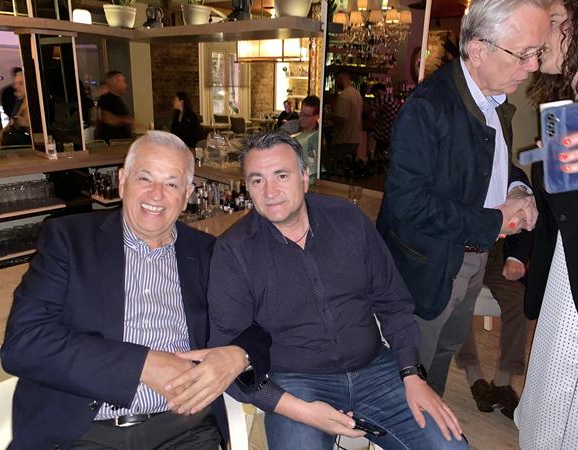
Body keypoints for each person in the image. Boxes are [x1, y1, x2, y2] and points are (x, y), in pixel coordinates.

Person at [0, 131, 271, 449]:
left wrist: (237, 356)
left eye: (171, 184)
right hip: (87, 433)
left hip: (185, 429)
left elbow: (259, 326)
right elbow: (24, 344)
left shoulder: (208, 253)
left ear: (187, 194)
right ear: (122, 181)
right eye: (145, 178)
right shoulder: (69, 240)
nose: (156, 195)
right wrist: (142, 365)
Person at [203, 131, 467, 450]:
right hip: (296, 382)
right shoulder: (234, 252)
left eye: (281, 176)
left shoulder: (349, 220)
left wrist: (412, 373)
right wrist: (295, 408)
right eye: (257, 180)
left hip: (376, 370)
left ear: (304, 177)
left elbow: (393, 302)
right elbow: (225, 357)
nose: (270, 191)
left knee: (451, 447)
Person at [376, 0, 546, 397]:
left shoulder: (494, 100)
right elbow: (408, 201)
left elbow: (494, 166)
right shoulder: (428, 107)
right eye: (524, 54)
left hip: (473, 257)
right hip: (428, 266)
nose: (534, 66)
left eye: (537, 53)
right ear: (478, 49)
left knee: (444, 351)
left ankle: (430, 417)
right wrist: (495, 221)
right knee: (410, 372)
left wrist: (518, 189)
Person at [516, 0, 578, 447]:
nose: (541, 34)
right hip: (562, 273)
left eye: (554, 21)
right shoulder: (564, 111)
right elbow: (560, 201)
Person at [455, 230, 532, 419]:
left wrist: (517, 257)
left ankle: (502, 382)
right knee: (458, 301)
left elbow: (529, 226)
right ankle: (475, 378)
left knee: (519, 303)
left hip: (499, 255)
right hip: (461, 255)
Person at [325, 70, 363, 172]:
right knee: (349, 170)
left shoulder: (344, 96)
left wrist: (327, 116)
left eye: (336, 80)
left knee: (338, 171)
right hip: (355, 139)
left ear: (342, 77)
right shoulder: (357, 94)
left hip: (344, 139)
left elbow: (341, 119)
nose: (336, 83)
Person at [95, 70, 133, 142]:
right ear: (115, 82)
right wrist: (127, 120)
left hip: (119, 143)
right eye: (123, 81)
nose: (125, 85)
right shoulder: (106, 98)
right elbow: (107, 118)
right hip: (111, 144)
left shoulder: (115, 98)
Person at [1, 69, 31, 146]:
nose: (16, 87)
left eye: (21, 83)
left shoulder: (36, 106)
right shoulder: (19, 104)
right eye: (15, 84)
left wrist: (26, 124)